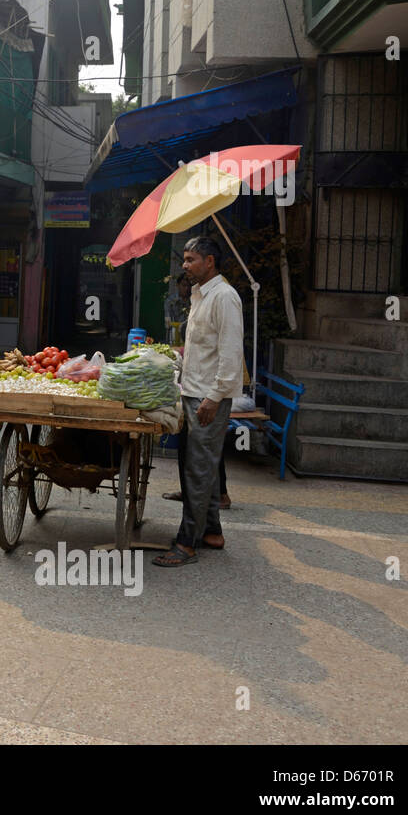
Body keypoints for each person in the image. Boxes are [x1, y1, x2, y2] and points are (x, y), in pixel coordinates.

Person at [154, 236, 243, 567]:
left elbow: (231, 353)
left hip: (208, 398)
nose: (185, 265)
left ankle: (186, 542)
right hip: (192, 392)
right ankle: (211, 531)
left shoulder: (224, 297)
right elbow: (203, 348)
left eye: (191, 260)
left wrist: (214, 397)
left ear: (210, 261)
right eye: (185, 260)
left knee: (199, 470)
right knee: (194, 465)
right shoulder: (199, 296)